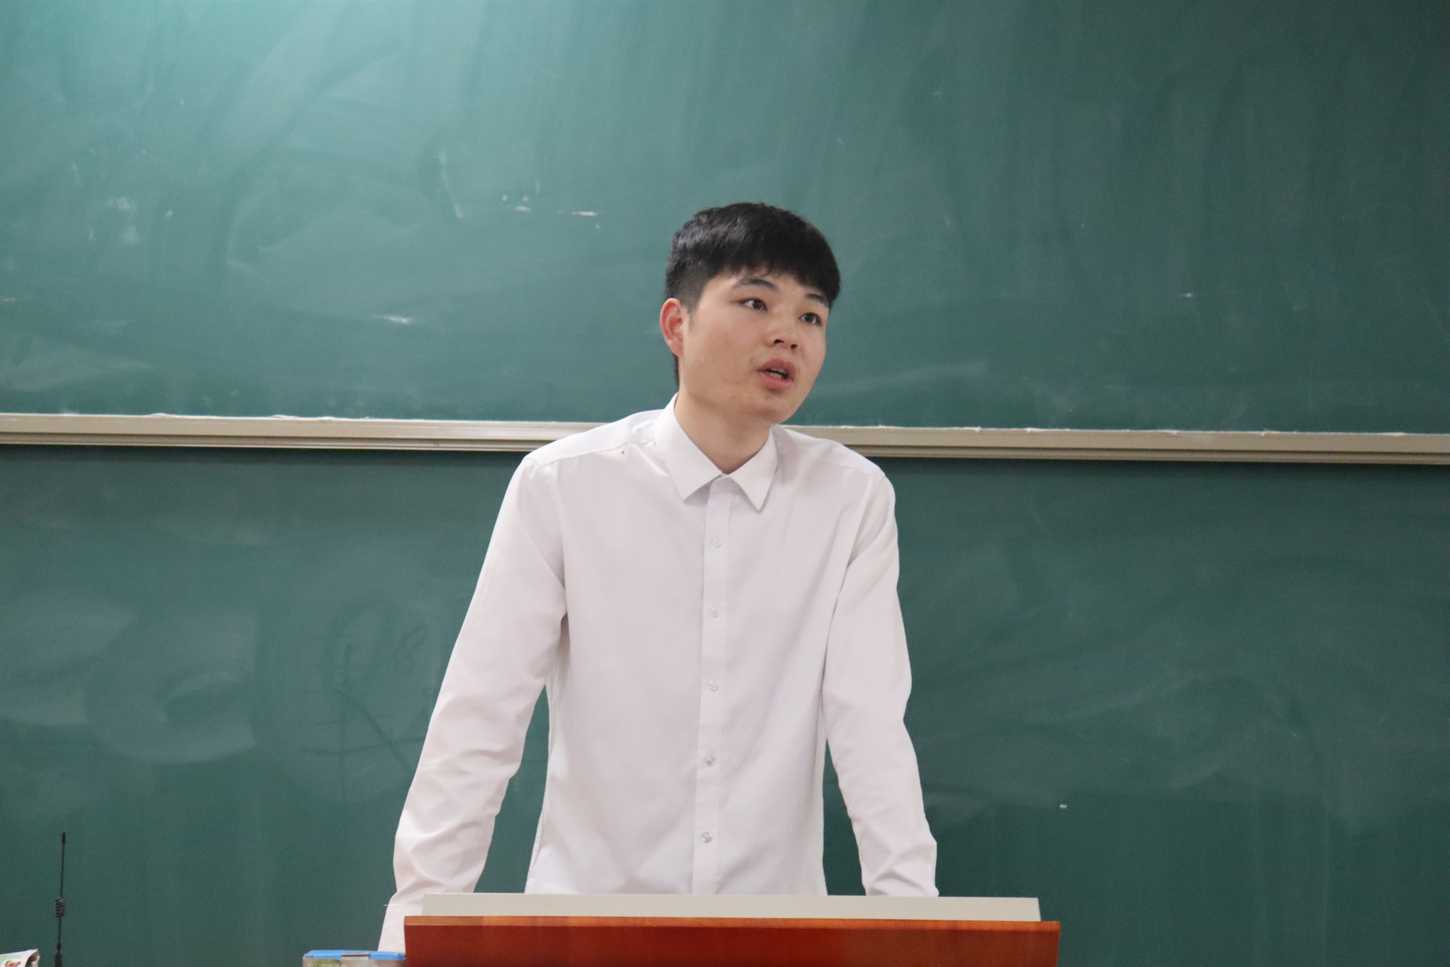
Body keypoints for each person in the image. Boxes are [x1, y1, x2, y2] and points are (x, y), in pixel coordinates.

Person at [378, 203, 937, 952]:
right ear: (677, 324)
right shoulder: (564, 484)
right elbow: (480, 721)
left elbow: (870, 725)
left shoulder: (851, 498)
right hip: (584, 934)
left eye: (812, 316)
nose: (788, 334)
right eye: (755, 302)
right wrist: (409, 935)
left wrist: (920, 931)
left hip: (776, 936)